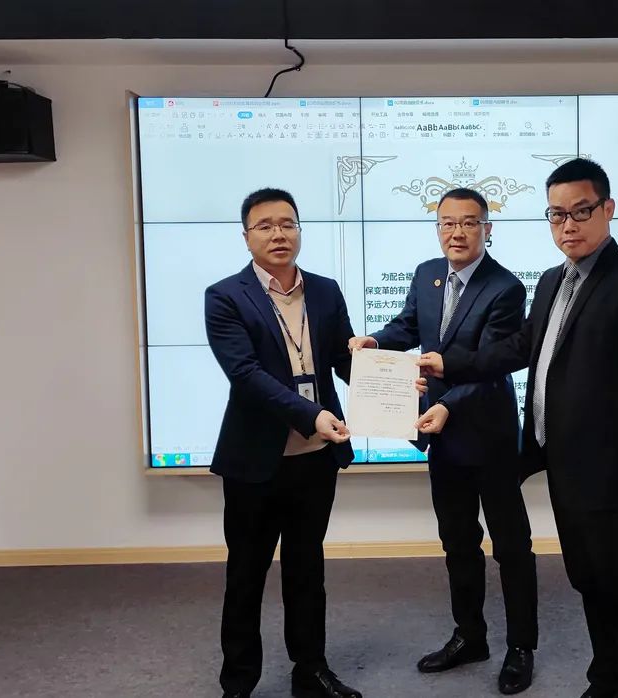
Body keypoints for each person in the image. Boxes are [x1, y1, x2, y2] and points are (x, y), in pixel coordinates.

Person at [418, 160, 618, 698]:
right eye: (557, 215)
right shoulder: (555, 279)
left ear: (607, 209)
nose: (568, 225)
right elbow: (520, 347)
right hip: (563, 461)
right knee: (587, 579)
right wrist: (448, 363)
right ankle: (605, 679)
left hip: (612, 471)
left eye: (581, 212)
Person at [349, 187, 538, 695]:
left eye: (469, 223)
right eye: (447, 223)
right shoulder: (426, 274)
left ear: (487, 230)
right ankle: (469, 636)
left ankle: (521, 646)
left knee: (511, 545)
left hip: (489, 435)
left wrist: (449, 403)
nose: (457, 232)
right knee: (457, 540)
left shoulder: (504, 288)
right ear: (438, 229)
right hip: (442, 435)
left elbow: (493, 364)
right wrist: (374, 342)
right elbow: (408, 326)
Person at [205, 188, 362, 698]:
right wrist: (311, 414)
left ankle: (310, 670)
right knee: (246, 574)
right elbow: (246, 375)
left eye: (288, 224)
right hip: (255, 460)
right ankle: (238, 682)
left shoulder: (325, 290)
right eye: (266, 225)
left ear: (299, 230)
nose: (279, 234)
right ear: (246, 236)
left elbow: (343, 360)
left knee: (306, 568)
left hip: (315, 460)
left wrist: (392, 378)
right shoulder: (225, 296)